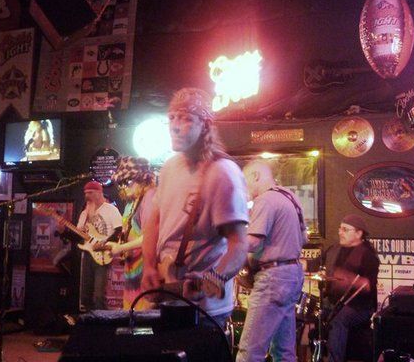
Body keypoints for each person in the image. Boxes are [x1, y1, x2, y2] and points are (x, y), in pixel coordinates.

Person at [140, 87, 249, 327]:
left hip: (205, 311)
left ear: (206, 125)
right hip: (167, 297)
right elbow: (155, 222)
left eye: (186, 118)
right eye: (172, 118)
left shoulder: (222, 172)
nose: (175, 126)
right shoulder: (169, 167)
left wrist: (214, 279)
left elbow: (239, 244)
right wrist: (148, 266)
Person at [236, 160, 307, 362]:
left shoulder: (265, 200)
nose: (245, 188)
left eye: (245, 182)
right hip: (292, 276)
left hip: (273, 280)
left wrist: (227, 242)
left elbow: (253, 242)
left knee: (249, 352)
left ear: (256, 176)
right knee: (284, 353)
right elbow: (304, 238)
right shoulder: (291, 197)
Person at [322, 214, 379, 362]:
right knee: (314, 314)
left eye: (345, 230)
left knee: (339, 319)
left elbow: (368, 285)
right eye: (340, 229)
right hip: (334, 302)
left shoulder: (368, 255)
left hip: (360, 307)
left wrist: (347, 278)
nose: (340, 232)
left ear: (359, 233)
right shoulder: (334, 250)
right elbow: (316, 264)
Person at [103, 155, 157, 310]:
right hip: (132, 272)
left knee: (144, 317)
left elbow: (150, 237)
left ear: (142, 179)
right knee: (131, 314)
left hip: (145, 271)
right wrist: (117, 245)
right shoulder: (131, 203)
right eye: (120, 183)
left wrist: (121, 248)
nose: (123, 187)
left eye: (127, 182)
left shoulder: (150, 197)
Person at [78, 180, 123, 311]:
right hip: (88, 253)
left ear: (99, 192)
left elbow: (119, 230)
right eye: (85, 193)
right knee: (85, 295)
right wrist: (64, 231)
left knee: (99, 295)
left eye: (90, 193)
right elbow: (79, 235)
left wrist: (104, 243)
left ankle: (102, 320)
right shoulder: (84, 213)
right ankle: (89, 320)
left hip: (103, 253)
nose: (87, 196)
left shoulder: (111, 209)